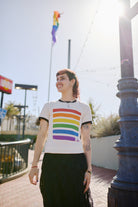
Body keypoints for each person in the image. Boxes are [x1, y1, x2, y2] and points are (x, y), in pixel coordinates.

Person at [29, 68, 93, 207]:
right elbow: (41, 136)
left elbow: (86, 141)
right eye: (57, 79)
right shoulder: (48, 106)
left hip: (76, 163)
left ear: (72, 81)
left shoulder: (84, 108)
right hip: (52, 162)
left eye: (62, 78)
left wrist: (88, 169)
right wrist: (34, 165)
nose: (58, 82)